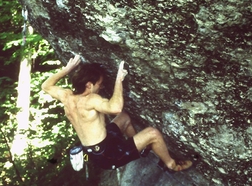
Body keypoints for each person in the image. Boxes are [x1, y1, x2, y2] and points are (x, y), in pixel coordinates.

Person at [41, 55, 192, 172]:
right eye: (99, 84)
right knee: (153, 133)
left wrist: (67, 69)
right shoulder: (90, 100)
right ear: (89, 85)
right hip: (108, 155)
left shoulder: (67, 96)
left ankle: (142, 146)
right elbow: (115, 108)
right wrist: (119, 80)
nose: (101, 87)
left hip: (95, 152)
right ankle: (171, 165)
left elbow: (46, 86)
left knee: (124, 118)